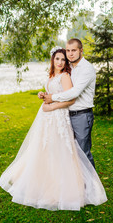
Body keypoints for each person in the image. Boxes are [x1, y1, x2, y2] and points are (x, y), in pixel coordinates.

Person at [0, 47, 107, 211]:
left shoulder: (65, 76)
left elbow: (71, 99)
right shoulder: (52, 75)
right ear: (53, 60)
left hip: (58, 117)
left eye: (63, 59)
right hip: (46, 118)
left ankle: (64, 187)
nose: (60, 62)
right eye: (57, 59)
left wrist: (52, 107)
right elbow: (52, 93)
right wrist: (43, 94)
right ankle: (41, 181)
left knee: (59, 149)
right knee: (44, 148)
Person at [43, 39, 96, 168]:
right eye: (68, 50)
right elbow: (61, 86)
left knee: (83, 153)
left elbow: (74, 93)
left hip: (81, 116)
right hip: (66, 115)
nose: (70, 54)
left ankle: (91, 187)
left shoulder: (86, 69)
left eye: (74, 50)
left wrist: (52, 98)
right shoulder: (70, 67)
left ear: (81, 51)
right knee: (69, 152)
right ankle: (76, 185)